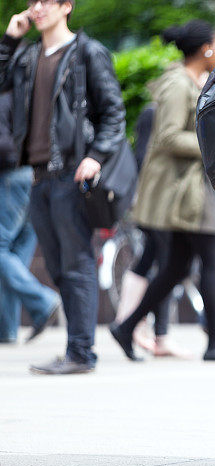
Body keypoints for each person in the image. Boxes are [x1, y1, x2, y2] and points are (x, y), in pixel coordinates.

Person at [109, 20, 215, 362]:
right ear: (206, 49)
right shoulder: (176, 85)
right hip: (184, 195)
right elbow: (168, 137)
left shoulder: (190, 81)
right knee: (213, 260)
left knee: (175, 267)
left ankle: (126, 329)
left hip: (190, 191)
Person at [1, 0, 127, 374]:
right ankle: (76, 349)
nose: (36, 8)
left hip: (73, 172)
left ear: (66, 6)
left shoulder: (88, 52)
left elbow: (113, 111)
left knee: (77, 263)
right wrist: (9, 39)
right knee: (57, 266)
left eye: (46, 1)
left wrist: (97, 155)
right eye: (32, 2)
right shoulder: (26, 58)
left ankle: (81, 352)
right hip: (37, 174)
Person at [113, 104, 184, 358]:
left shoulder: (156, 112)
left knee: (150, 260)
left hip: (157, 203)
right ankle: (158, 334)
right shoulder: (155, 112)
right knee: (167, 266)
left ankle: (128, 323)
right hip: (157, 205)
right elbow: (143, 159)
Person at [0, 91, 60, 345]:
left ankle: (43, 301)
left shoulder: (5, 98)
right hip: (34, 176)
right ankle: (7, 329)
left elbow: (4, 146)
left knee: (3, 251)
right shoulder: (33, 94)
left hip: (11, 178)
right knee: (13, 258)